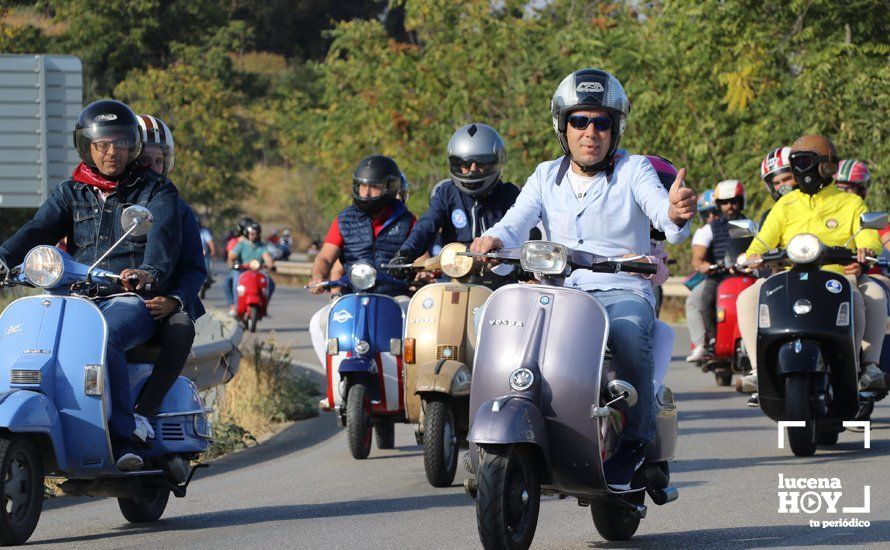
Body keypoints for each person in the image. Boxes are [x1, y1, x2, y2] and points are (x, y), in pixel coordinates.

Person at [470, 68, 695, 491]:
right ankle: (491, 437)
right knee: (490, 323)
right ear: (563, 125)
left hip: (621, 289)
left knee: (629, 334)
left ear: (615, 129)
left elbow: (662, 213)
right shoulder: (544, 175)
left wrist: (676, 212)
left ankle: (636, 441)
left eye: (601, 122)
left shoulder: (635, 171)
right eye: (579, 121)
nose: (590, 132)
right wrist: (491, 239)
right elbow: (515, 223)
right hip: (557, 292)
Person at [0, 100, 181, 470]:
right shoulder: (71, 192)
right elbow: (38, 229)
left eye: (118, 143)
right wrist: (4, 257)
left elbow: (162, 241)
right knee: (31, 337)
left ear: (131, 145)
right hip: (74, 296)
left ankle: (123, 434)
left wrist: (148, 273)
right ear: (88, 147)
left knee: (106, 336)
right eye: (102, 144)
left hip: (129, 299)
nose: (111, 152)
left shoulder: (155, 191)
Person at [736, 135, 888, 408]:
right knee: (746, 297)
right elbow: (761, 242)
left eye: (807, 162)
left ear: (827, 165)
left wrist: (865, 252)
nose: (801, 170)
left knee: (867, 295)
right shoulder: (785, 204)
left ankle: (863, 367)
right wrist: (753, 256)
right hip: (790, 275)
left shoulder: (850, 203)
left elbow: (869, 238)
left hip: (838, 275)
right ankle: (760, 372)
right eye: (796, 163)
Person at [307, 155, 416, 367]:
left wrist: (421, 274)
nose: (365, 193)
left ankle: (409, 386)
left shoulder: (407, 221)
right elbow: (325, 256)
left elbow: (422, 258)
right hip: (352, 295)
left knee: (419, 327)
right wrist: (318, 277)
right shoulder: (344, 219)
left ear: (390, 187)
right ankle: (335, 386)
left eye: (373, 187)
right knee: (318, 323)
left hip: (395, 296)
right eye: (361, 186)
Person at [132, 114, 207, 423]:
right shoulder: (108, 201)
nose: (153, 168)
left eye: (159, 161)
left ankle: (145, 411)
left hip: (159, 305)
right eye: (145, 160)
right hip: (109, 299)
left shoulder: (180, 209)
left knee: (181, 327)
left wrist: (173, 300)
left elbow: (194, 268)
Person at [390, 123, 521, 283]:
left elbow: (524, 232)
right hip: (453, 279)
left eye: (481, 163)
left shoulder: (510, 194)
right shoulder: (446, 193)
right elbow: (426, 226)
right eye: (464, 164)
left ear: (495, 162)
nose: (472, 171)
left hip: (499, 282)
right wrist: (405, 254)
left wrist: (520, 268)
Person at [690, 179, 748, 355]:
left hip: (746, 274)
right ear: (718, 205)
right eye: (724, 202)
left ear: (741, 202)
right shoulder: (710, 229)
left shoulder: (750, 225)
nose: (729, 206)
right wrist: (705, 266)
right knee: (706, 300)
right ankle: (713, 337)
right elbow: (697, 258)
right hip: (720, 275)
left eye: (734, 201)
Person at [685, 189, 721, 362]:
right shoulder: (704, 232)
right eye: (707, 215)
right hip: (714, 276)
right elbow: (696, 260)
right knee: (694, 301)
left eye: (715, 212)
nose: (711, 218)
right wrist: (705, 266)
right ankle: (701, 344)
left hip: (740, 274)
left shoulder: (741, 225)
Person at [226, 221, 275, 316]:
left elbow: (267, 257)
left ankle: (264, 305)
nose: (254, 235)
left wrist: (270, 265)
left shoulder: (261, 247)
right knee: (237, 283)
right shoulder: (242, 245)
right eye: (252, 233)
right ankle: (236, 307)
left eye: (256, 233)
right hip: (242, 271)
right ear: (247, 234)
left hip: (257, 272)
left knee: (270, 283)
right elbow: (232, 256)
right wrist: (232, 263)